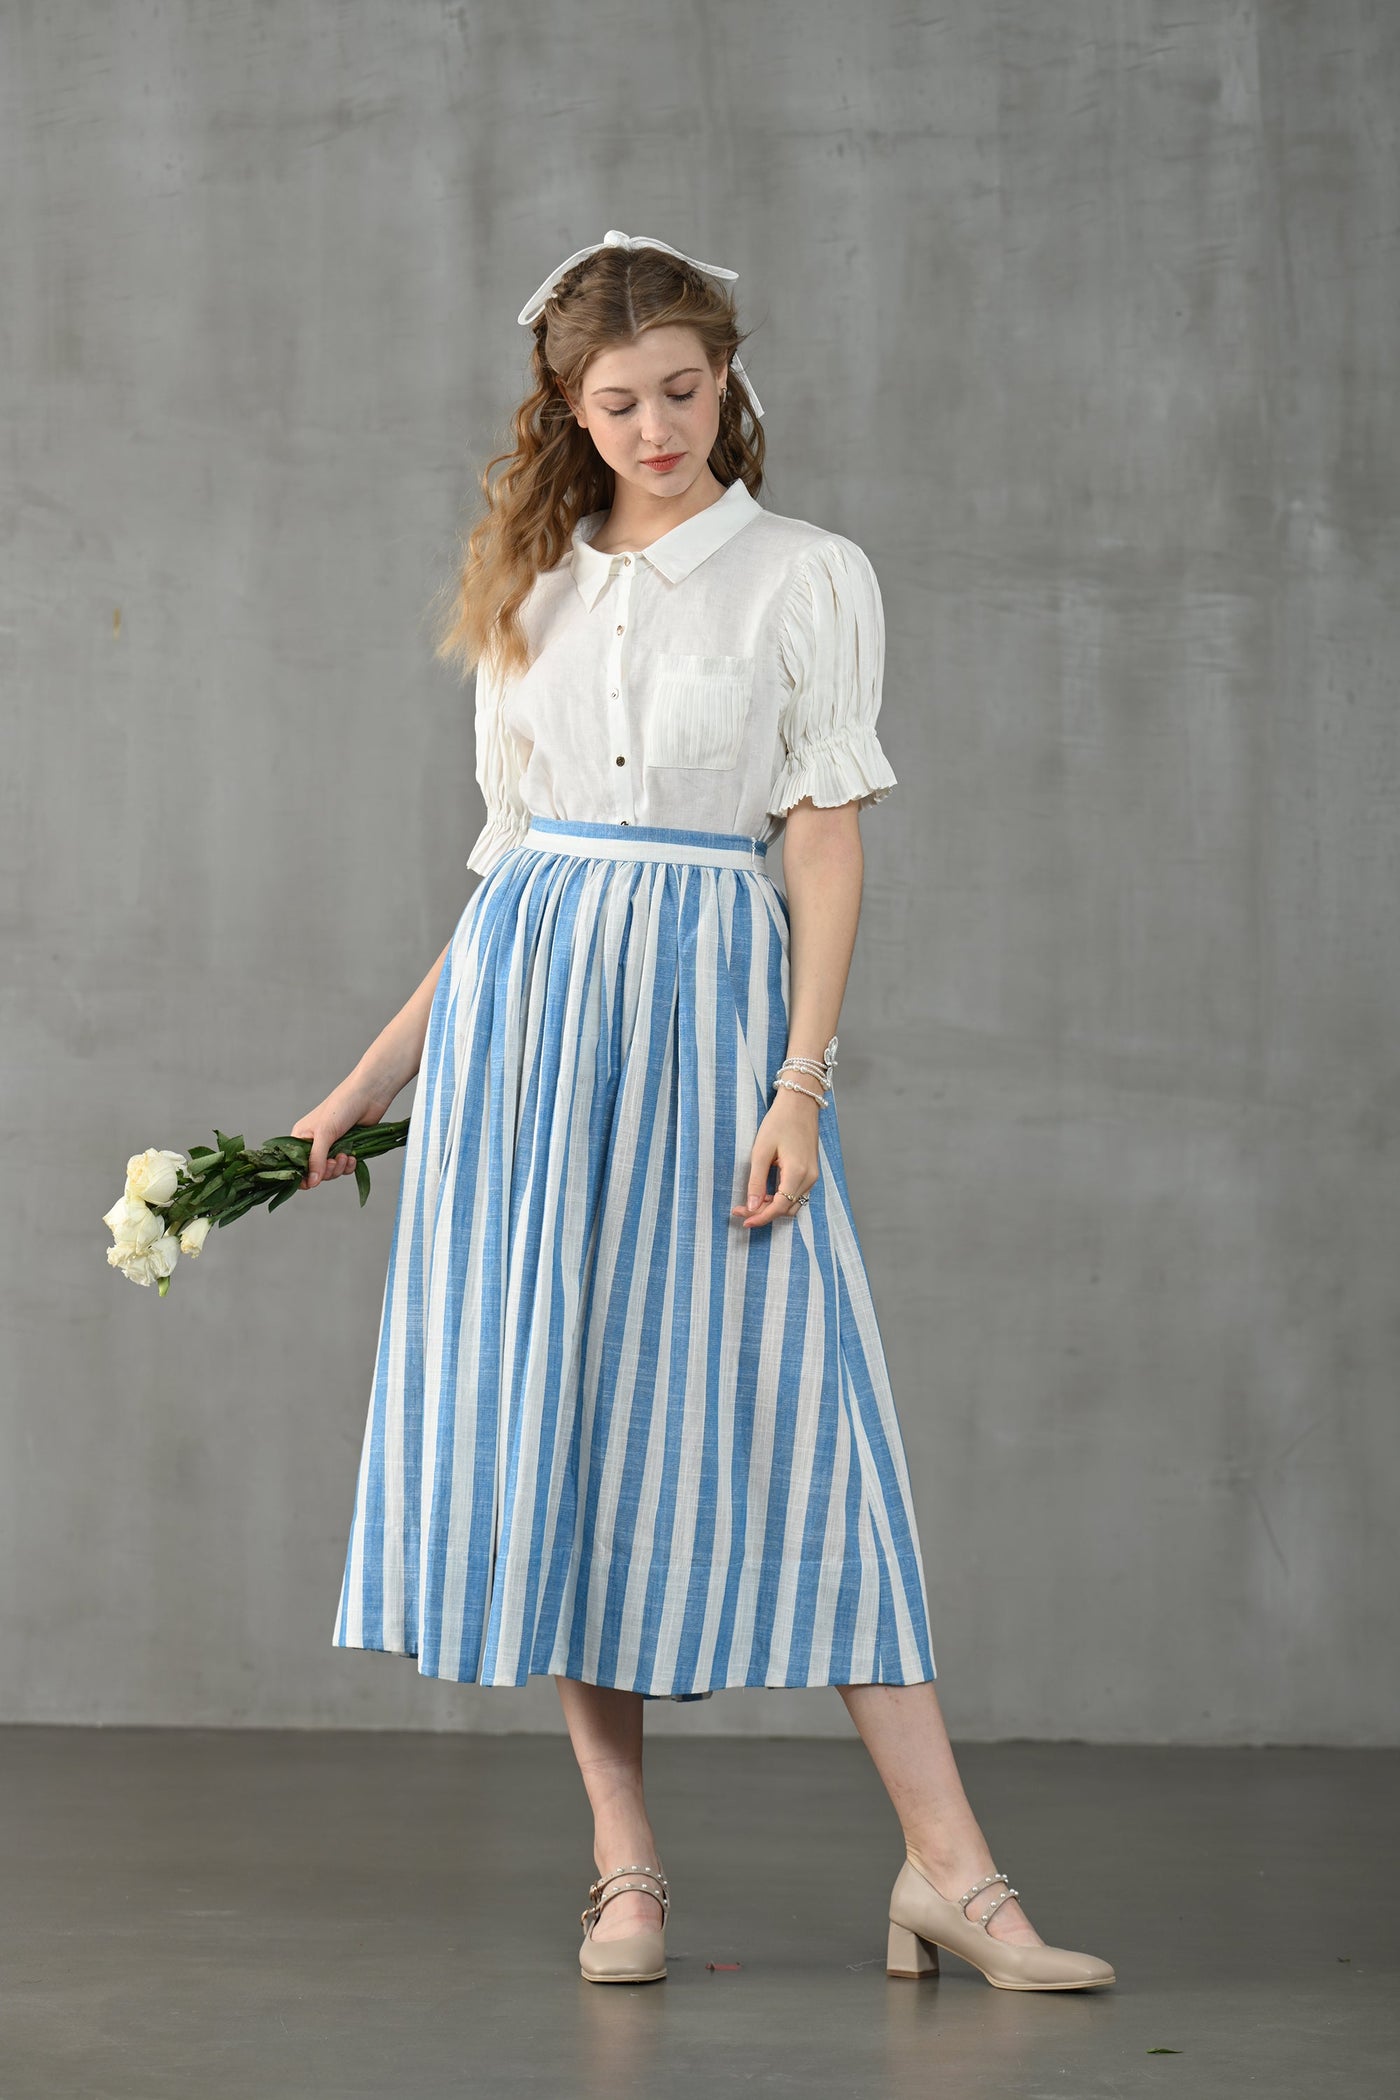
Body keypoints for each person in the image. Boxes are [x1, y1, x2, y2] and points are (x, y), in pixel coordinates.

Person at [291, 230, 1114, 1994]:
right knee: (570, 1421)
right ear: (567, 411)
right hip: (528, 1045)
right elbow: (507, 883)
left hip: (715, 1031)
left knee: (818, 1424)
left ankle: (954, 1874)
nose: (657, 429)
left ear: (728, 378)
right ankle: (624, 1867)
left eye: (683, 389)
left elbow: (823, 840)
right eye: (620, 404)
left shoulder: (806, 575)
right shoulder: (531, 590)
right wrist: (363, 1088)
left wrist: (799, 1082)